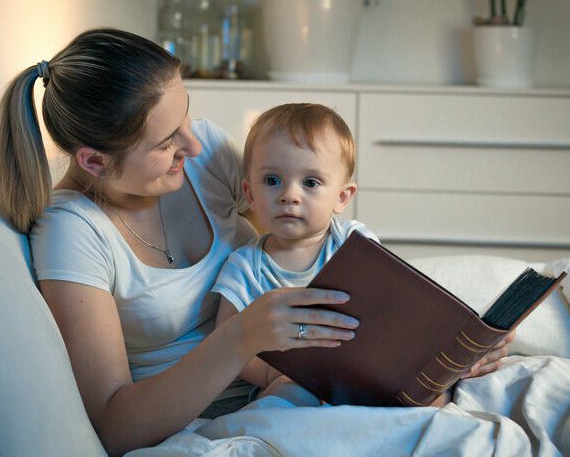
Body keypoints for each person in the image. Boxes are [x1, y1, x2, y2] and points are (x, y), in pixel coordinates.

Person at [0, 28, 511, 456]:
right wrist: (243, 336)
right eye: (166, 141)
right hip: (225, 419)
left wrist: (435, 340)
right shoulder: (72, 233)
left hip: (313, 377)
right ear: (93, 161)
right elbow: (115, 427)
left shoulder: (202, 155)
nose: (194, 144)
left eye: (186, 116)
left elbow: (300, 235)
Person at [212, 103, 515, 405]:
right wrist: (270, 376)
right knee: (284, 401)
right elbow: (227, 342)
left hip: (365, 373)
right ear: (250, 193)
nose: (289, 194)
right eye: (272, 180)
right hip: (293, 383)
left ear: (342, 197)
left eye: (310, 183)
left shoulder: (353, 243)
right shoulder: (244, 267)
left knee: (431, 398)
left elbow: (392, 305)